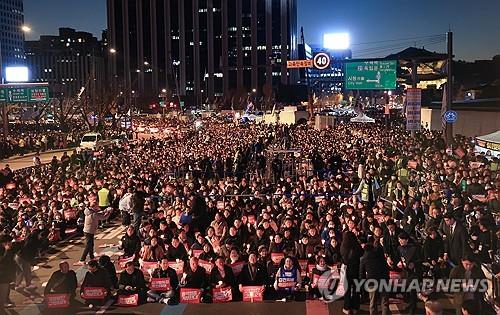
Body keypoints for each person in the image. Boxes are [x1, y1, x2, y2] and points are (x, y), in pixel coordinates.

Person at [359, 243, 390, 315]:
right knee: (384, 301)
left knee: (373, 302)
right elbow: (386, 269)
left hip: (371, 281)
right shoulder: (380, 256)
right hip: (383, 280)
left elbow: (361, 273)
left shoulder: (363, 259)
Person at [340, 231, 363, 314]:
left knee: (347, 290)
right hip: (356, 269)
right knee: (356, 289)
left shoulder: (343, 246)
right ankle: (355, 307)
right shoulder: (357, 246)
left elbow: (341, 257)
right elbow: (361, 254)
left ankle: (347, 308)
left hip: (347, 270)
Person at [0, 235, 16, 312]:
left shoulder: (7, 249)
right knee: (3, 290)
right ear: (4, 243)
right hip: (2, 274)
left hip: (7, 273)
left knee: (7, 288)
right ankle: (3, 304)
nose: (11, 243)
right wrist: (7, 251)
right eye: (9, 242)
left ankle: (6, 301)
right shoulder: (2, 250)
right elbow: (2, 261)